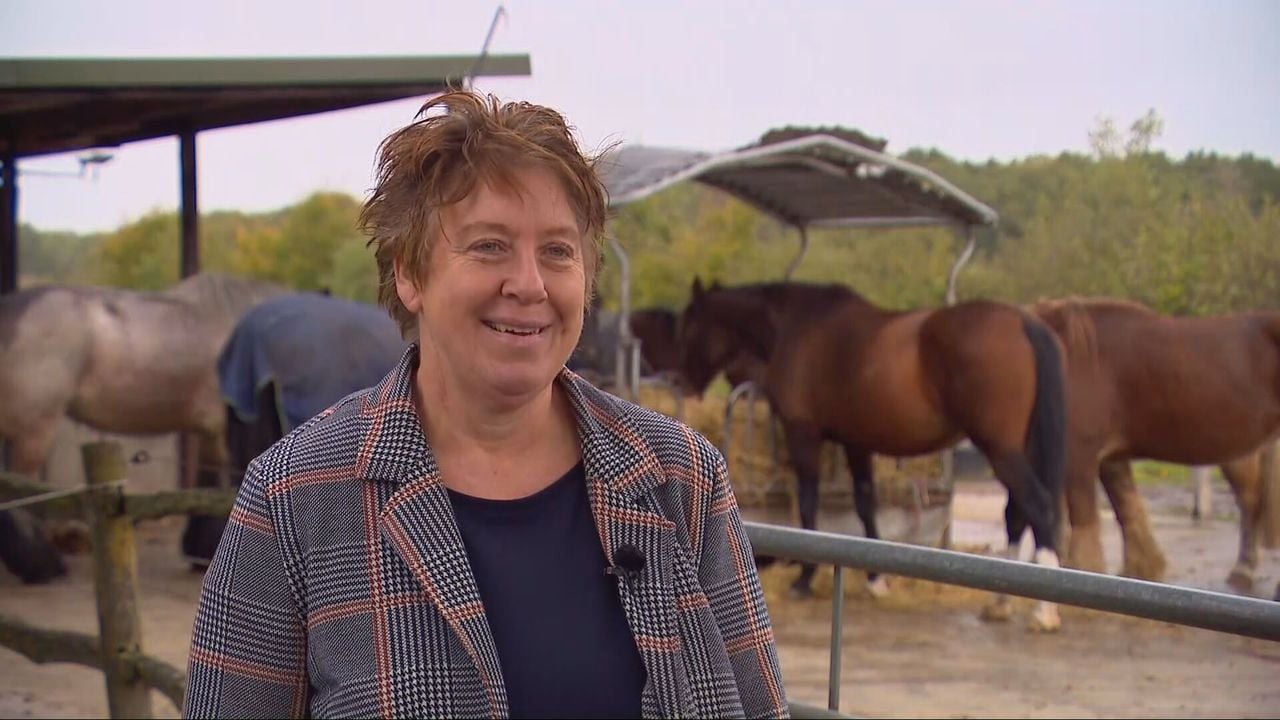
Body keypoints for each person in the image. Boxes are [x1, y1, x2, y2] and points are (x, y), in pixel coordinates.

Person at [183, 88, 788, 719]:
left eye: (557, 251)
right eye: (489, 246)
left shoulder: (680, 477)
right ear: (408, 274)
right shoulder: (294, 498)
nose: (529, 284)